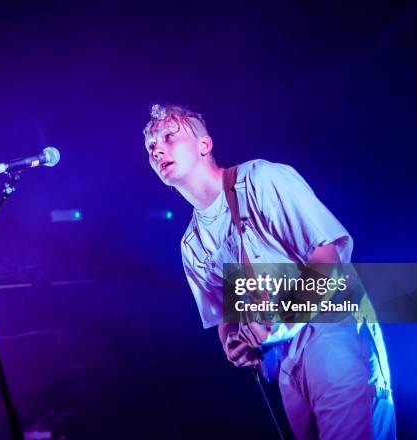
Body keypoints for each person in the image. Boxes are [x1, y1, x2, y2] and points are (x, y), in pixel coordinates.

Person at [143, 103, 397, 439]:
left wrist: (279, 319)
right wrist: (234, 344)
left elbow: (327, 256)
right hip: (280, 360)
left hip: (330, 327)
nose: (158, 148)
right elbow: (225, 319)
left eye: (169, 136)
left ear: (205, 145)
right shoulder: (191, 245)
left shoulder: (260, 179)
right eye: (150, 147)